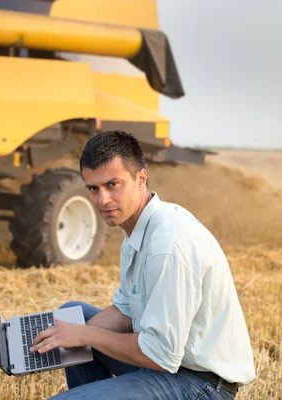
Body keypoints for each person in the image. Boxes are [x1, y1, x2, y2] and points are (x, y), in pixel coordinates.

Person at [30, 130, 256, 399]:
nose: (102, 200)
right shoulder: (137, 229)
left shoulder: (168, 245)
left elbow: (160, 354)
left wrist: (84, 336)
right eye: (93, 188)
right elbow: (126, 312)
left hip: (201, 385)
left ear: (141, 179)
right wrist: (57, 335)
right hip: (172, 368)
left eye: (113, 184)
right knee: (72, 313)